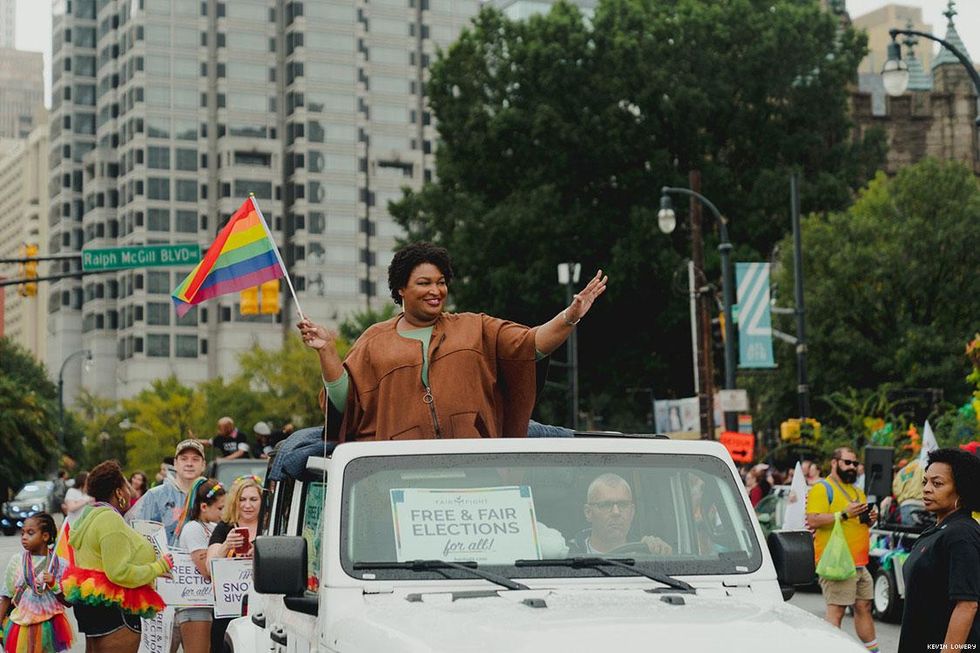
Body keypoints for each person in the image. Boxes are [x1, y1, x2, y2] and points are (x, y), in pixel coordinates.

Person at [298, 242, 608, 440]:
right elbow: (345, 405)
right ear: (401, 289)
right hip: (400, 474)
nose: (436, 291)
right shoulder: (373, 341)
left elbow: (531, 344)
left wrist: (569, 316)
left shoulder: (476, 327)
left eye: (441, 282)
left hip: (474, 467)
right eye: (424, 283)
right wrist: (327, 352)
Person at [62, 460, 172, 653]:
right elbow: (118, 572)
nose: (131, 491)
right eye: (127, 486)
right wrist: (159, 566)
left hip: (97, 609)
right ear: (119, 492)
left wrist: (148, 569)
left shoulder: (90, 516)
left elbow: (103, 561)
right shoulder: (109, 519)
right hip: (116, 612)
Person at [898, 449, 980, 652]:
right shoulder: (935, 531)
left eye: (937, 484)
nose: (926, 489)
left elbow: (967, 605)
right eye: (925, 482)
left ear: (961, 489)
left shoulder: (961, 534)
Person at [805, 447, 880, 653]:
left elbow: (860, 523)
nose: (852, 467)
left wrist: (870, 520)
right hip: (837, 562)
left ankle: (874, 651)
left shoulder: (857, 491)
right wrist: (843, 514)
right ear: (834, 463)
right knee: (836, 611)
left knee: (864, 607)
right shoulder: (822, 488)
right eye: (847, 462)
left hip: (860, 563)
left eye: (855, 463)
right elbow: (813, 520)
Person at [0, 513, 74, 652]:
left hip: (50, 625)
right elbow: (6, 596)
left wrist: (53, 584)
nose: (24, 537)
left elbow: (68, 602)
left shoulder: (59, 564)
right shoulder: (17, 561)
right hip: (21, 626)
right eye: (22, 533)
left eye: (30, 533)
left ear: (45, 536)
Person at [206, 476, 262, 653]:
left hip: (260, 608)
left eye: (253, 499)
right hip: (227, 610)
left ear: (262, 501)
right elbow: (209, 567)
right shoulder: (225, 528)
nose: (247, 505)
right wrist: (226, 545)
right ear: (235, 502)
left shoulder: (270, 527)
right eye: (242, 499)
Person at [174, 478, 226, 653]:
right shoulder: (193, 529)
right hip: (195, 604)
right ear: (204, 507)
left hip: (207, 602)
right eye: (220, 508)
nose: (224, 513)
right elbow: (206, 569)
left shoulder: (210, 526)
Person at [567, 473, 672, 555]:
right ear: (588, 512)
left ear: (632, 512)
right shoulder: (567, 555)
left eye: (623, 504)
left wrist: (661, 553)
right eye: (606, 505)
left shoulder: (646, 553)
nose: (616, 512)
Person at [128, 440, 207, 545]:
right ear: (175, 463)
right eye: (184, 459)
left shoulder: (211, 496)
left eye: (195, 459)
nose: (189, 464)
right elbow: (136, 535)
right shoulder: (155, 496)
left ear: (203, 465)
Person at [893, 459, 925, 525]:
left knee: (908, 530)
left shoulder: (903, 471)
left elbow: (896, 490)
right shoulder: (924, 467)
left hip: (905, 505)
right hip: (923, 504)